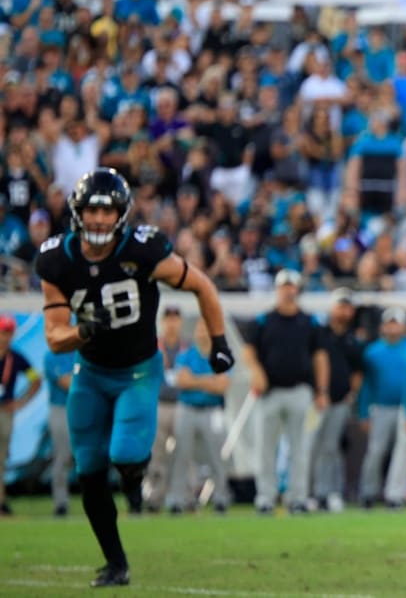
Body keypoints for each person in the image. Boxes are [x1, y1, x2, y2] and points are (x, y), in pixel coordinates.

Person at [35, 168, 235, 587]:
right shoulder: (57, 259)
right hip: (89, 373)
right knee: (88, 470)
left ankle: (132, 482)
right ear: (78, 213)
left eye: (108, 213)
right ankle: (116, 562)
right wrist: (85, 331)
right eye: (92, 211)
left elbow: (203, 286)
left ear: (121, 215)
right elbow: (55, 339)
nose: (99, 221)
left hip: (138, 371)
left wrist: (219, 341)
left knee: (126, 454)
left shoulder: (143, 250)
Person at [243, 268, 330, 515]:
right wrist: (256, 372)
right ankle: (266, 497)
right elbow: (249, 351)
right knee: (265, 449)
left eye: (292, 286)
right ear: (278, 290)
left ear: (297, 290)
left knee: (299, 449)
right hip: (270, 392)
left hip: (300, 391)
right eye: (284, 286)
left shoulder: (309, 322)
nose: (288, 291)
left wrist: (321, 390)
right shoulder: (263, 320)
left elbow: (320, 357)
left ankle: (297, 497)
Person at [165, 320, 232, 514]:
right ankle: (178, 499)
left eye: (206, 328)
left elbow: (222, 385)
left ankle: (221, 498)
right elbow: (181, 381)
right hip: (188, 408)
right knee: (181, 455)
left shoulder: (221, 355)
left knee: (216, 456)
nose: (202, 332)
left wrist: (195, 381)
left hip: (212, 410)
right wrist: (208, 381)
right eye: (200, 328)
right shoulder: (186, 355)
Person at [312, 288, 364, 513]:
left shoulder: (353, 339)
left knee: (331, 448)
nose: (343, 310)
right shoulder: (319, 333)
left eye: (347, 306)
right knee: (311, 447)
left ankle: (329, 492)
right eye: (340, 306)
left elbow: (357, 372)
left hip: (339, 401)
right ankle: (310, 493)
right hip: (315, 401)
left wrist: (350, 394)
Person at [359, 307, 406, 508]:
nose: (393, 327)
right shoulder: (373, 351)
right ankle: (368, 493)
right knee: (376, 451)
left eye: (397, 323)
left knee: (403, 453)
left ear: (404, 326)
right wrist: (363, 412)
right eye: (389, 323)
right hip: (381, 408)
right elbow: (366, 385)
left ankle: (395, 495)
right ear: (383, 326)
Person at [144, 305, 186, 513]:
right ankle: (155, 497)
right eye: (168, 319)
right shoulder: (154, 347)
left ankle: (179, 498)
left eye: (175, 319)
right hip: (159, 403)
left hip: (181, 404)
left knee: (181, 454)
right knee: (157, 454)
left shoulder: (186, 348)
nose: (172, 324)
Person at [1, 314, 41, 517]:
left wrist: (22, 402)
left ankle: (1, 501)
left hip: (5, 412)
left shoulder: (15, 357)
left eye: (8, 333)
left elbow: (35, 379)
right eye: (2, 332)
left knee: (1, 458)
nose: (5, 337)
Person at [43, 349, 76, 516]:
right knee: (63, 455)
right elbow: (66, 381)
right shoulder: (53, 354)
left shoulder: (82, 352)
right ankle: (61, 502)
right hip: (61, 408)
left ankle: (97, 501)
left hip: (85, 408)